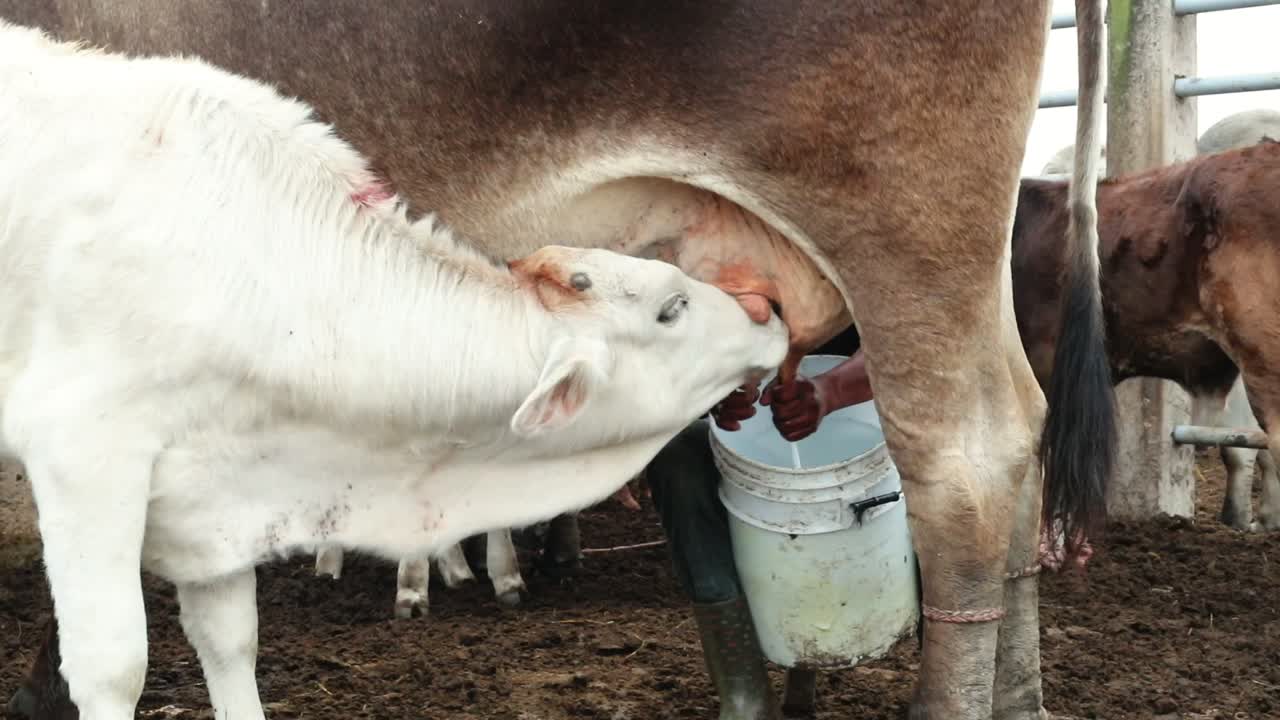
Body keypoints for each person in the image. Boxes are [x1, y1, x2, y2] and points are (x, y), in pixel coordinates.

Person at [644, 341, 874, 720]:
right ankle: (744, 691)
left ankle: (943, 677)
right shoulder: (728, 284)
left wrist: (831, 390)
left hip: (875, 431)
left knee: (949, 482)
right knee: (678, 456)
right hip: (764, 433)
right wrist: (718, 389)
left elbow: (917, 336)